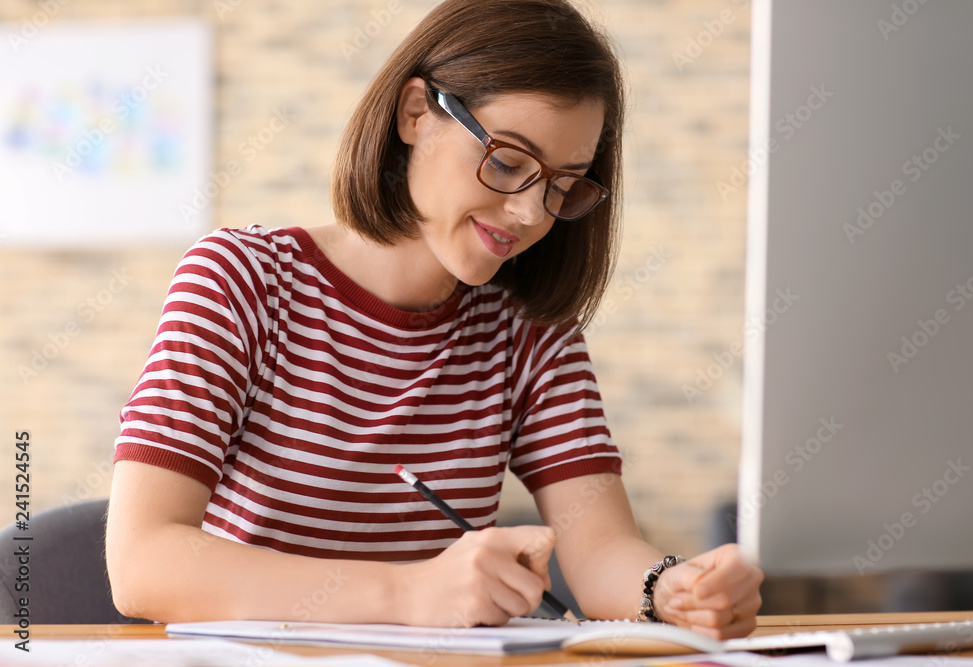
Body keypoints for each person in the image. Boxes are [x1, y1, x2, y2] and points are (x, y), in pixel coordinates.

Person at [106, 0, 763, 637]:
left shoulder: (525, 327)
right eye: (507, 162)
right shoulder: (243, 282)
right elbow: (142, 562)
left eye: (564, 183)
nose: (532, 214)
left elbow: (600, 549)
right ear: (417, 113)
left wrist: (670, 589)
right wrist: (411, 590)